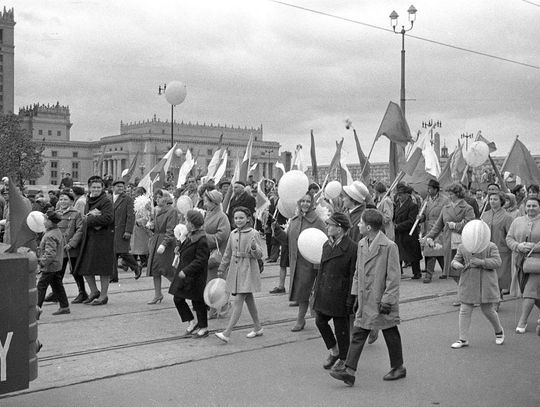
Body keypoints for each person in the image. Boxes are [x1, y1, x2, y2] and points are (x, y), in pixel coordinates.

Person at [330, 209, 405, 386]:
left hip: (381, 300)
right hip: (365, 299)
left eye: (361, 223)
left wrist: (388, 300)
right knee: (359, 332)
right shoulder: (362, 243)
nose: (358, 225)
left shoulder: (389, 246)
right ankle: (349, 370)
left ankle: (398, 367)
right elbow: (358, 272)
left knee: (390, 331)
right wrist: (354, 294)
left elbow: (394, 278)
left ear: (369, 226)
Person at [274, 193, 327, 331]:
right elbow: (287, 240)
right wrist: (276, 230)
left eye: (308, 201)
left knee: (306, 291)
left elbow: (324, 243)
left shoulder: (318, 222)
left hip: (311, 264)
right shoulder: (295, 220)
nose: (305, 204)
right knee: (302, 291)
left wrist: (318, 264)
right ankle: (306, 319)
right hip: (297, 262)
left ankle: (301, 319)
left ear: (312, 203)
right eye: (302, 201)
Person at [312, 212, 357, 372]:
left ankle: (344, 359)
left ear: (340, 229)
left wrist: (351, 298)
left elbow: (353, 275)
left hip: (340, 293)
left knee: (341, 329)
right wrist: (316, 292)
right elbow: (321, 270)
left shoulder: (352, 248)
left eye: (330, 224)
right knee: (320, 321)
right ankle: (334, 350)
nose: (327, 227)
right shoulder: (326, 245)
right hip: (325, 292)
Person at [215, 206, 264, 343]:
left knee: (239, 300)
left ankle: (227, 332)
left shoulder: (253, 233)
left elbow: (259, 255)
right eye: (236, 218)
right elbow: (227, 252)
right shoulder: (233, 233)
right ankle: (258, 327)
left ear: (248, 219)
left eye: (241, 218)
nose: (238, 220)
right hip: (235, 270)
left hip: (248, 269)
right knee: (249, 299)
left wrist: (254, 248)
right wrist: (222, 267)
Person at [450, 240, 504, 348]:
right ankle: (463, 339)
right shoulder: (462, 246)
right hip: (468, 280)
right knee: (465, 309)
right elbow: (455, 261)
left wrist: (482, 262)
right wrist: (457, 265)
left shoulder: (490, 245)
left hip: (486, 282)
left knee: (488, 309)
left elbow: (497, 262)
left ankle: (499, 331)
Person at [73, 176, 115, 306]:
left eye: (98, 187)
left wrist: (89, 219)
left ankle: (103, 296)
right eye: (93, 187)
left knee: (103, 269)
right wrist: (89, 217)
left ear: (102, 188)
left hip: (102, 239)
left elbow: (108, 218)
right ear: (89, 188)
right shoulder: (89, 200)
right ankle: (94, 291)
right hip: (90, 237)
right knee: (85, 267)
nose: (96, 189)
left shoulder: (106, 201)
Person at [169, 210, 210, 338]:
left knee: (198, 301)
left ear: (192, 224)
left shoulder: (202, 239)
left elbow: (201, 260)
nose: (185, 223)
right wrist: (179, 248)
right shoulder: (191, 235)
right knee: (178, 298)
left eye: (187, 221)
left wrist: (186, 271)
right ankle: (192, 322)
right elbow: (186, 249)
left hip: (194, 275)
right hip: (184, 273)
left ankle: (203, 327)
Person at [424, 183, 475, 283]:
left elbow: (470, 224)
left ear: (458, 194)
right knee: (453, 271)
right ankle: (462, 289)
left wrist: (456, 226)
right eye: (449, 194)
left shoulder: (467, 208)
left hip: (463, 242)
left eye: (451, 194)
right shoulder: (446, 208)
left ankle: (465, 291)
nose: (449, 196)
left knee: (463, 269)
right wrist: (429, 236)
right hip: (449, 242)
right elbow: (438, 225)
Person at [506, 196, 540, 334]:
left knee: (529, 291)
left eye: (534, 206)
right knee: (529, 291)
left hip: (537, 264)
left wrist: (535, 247)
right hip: (521, 262)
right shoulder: (517, 221)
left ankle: (523, 321)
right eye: (529, 205)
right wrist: (518, 246)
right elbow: (509, 238)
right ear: (524, 207)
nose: (531, 208)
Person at [481, 191, 514, 307]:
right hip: (486, 249)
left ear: (501, 201)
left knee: (498, 276)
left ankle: (497, 299)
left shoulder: (507, 217)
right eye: (490, 199)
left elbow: (510, 235)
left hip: (502, 250)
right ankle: (493, 297)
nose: (492, 201)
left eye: (495, 199)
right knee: (488, 275)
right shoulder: (484, 215)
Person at [202, 189, 231, 319]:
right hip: (208, 252)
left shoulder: (222, 217)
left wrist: (204, 237)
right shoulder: (207, 214)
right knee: (210, 281)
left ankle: (222, 305)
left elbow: (221, 236)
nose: (205, 203)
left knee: (216, 282)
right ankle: (214, 307)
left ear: (214, 203)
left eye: (207, 201)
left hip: (218, 254)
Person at [146, 189, 178, 304]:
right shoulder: (156, 211)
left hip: (166, 243)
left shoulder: (171, 211)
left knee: (167, 269)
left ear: (166, 199)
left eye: (159, 197)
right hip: (156, 241)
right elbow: (156, 228)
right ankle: (158, 294)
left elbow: (171, 230)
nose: (157, 199)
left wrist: (164, 244)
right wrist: (150, 226)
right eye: (156, 197)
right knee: (155, 269)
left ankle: (179, 290)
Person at [36, 210, 69, 318]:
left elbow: (50, 254)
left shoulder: (50, 235)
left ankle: (36, 309)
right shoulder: (55, 231)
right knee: (57, 285)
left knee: (41, 286)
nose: (44, 222)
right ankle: (64, 306)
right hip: (56, 265)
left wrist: (42, 263)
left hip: (50, 266)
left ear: (51, 222)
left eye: (46, 220)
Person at [57, 191, 87, 304]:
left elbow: (80, 230)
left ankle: (82, 292)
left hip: (71, 248)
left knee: (75, 271)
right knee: (58, 272)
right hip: (59, 248)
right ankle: (57, 293)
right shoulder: (56, 213)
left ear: (71, 201)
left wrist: (71, 244)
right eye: (61, 199)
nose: (63, 202)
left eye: (65, 199)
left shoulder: (76, 213)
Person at [419, 179, 450, 283]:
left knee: (435, 251)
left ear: (436, 189)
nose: (428, 190)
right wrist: (421, 217)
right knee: (433, 252)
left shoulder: (445, 200)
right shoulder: (426, 200)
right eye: (428, 188)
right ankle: (444, 271)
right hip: (428, 228)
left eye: (430, 188)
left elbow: (448, 214)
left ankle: (431, 274)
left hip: (439, 228)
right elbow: (424, 214)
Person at [110, 180, 141, 282]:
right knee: (113, 254)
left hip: (122, 230)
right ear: (113, 187)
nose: (120, 188)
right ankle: (113, 277)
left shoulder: (127, 199)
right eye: (118, 186)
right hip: (111, 230)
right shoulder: (109, 198)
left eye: (122, 187)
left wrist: (128, 231)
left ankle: (136, 266)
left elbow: (130, 216)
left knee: (122, 252)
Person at [393, 183, 423, 279]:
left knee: (413, 254)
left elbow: (411, 221)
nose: (399, 196)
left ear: (407, 194)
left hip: (409, 234)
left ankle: (417, 273)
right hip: (399, 234)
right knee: (398, 254)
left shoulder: (412, 205)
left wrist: (398, 226)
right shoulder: (397, 204)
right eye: (398, 194)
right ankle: (398, 272)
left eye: (401, 194)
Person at [130, 186, 152, 269]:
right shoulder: (135, 202)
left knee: (142, 246)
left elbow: (147, 215)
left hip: (142, 227)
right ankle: (134, 263)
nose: (135, 195)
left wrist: (140, 222)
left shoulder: (146, 202)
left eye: (137, 193)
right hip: (136, 227)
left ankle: (144, 261)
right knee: (135, 246)